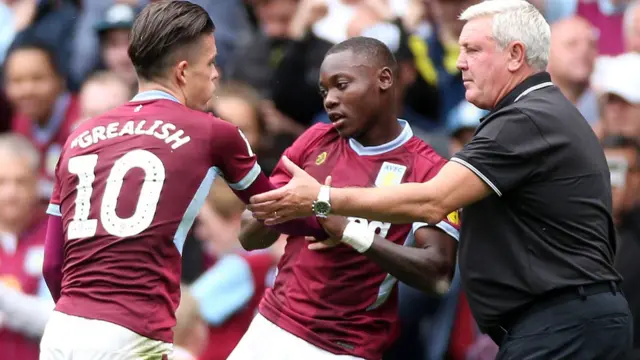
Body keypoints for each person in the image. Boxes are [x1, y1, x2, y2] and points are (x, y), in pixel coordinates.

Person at [249, 1, 632, 359]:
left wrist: (324, 199)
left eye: (473, 50)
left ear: (516, 55)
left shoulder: (525, 119)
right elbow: (249, 232)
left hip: (562, 322)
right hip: (564, 319)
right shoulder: (537, 113)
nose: (461, 63)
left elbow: (433, 201)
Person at [38, 2, 325, 359]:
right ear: (184, 71)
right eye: (211, 63)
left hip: (61, 331)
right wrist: (336, 213)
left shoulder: (79, 137)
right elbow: (280, 211)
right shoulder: (214, 134)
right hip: (131, 333)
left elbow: (53, 263)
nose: (217, 74)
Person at [228, 36, 460, 360]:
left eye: (341, 85)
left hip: (346, 346)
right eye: (325, 92)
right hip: (272, 325)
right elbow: (248, 236)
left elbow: (438, 275)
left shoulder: (429, 170)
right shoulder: (314, 141)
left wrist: (348, 230)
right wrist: (283, 209)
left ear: (384, 79)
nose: (330, 100)